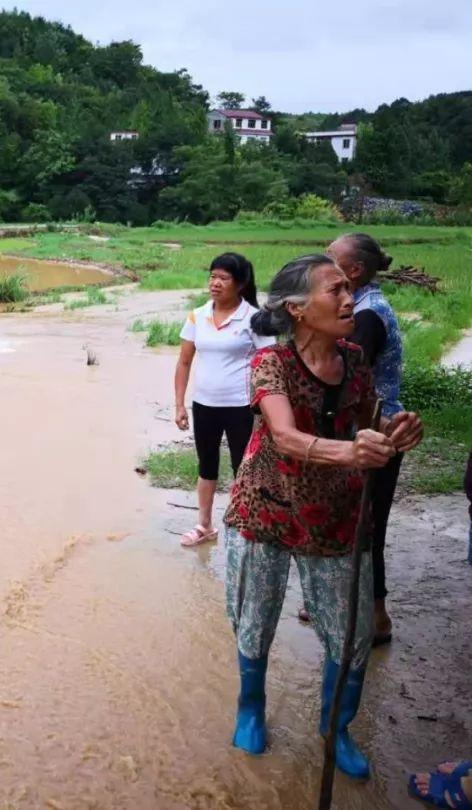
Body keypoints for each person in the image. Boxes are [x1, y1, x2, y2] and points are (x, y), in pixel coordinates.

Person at [224, 254, 423, 781]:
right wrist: (349, 454)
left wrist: (391, 432)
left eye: (347, 288)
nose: (348, 298)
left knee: (351, 631)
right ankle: (250, 707)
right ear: (297, 310)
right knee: (255, 616)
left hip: (334, 513)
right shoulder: (271, 364)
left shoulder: (356, 359)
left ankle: (336, 728)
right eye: (333, 290)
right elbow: (285, 437)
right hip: (266, 506)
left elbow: (364, 421)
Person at [323, 232, 405, 645]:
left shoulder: (365, 317)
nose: (323, 264)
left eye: (330, 259)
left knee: (366, 526)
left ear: (354, 271)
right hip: (373, 433)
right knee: (361, 522)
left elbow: (345, 379)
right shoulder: (366, 305)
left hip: (373, 436)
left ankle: (375, 616)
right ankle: (359, 609)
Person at [174, 253, 274, 546]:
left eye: (223, 278)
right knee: (206, 465)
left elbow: (269, 363)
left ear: (240, 284)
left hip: (242, 407)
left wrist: (266, 409)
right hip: (205, 405)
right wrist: (180, 404)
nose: (215, 283)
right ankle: (204, 525)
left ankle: (243, 524)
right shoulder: (197, 315)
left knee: (242, 468)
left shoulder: (254, 318)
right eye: (212, 276)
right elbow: (183, 362)